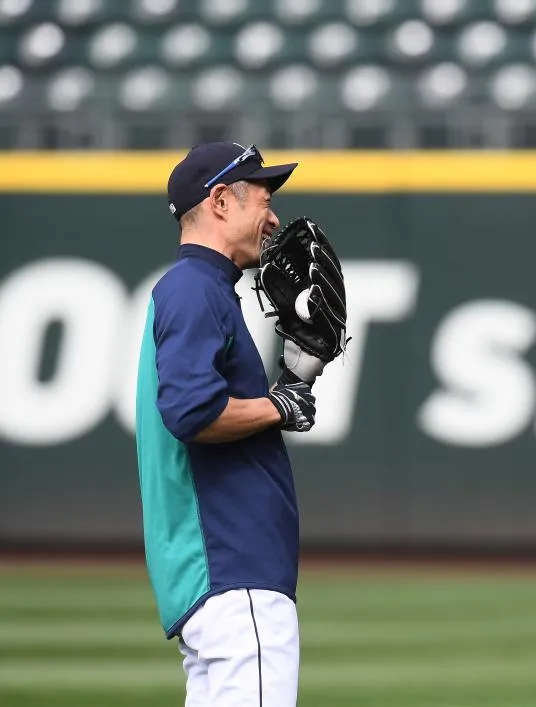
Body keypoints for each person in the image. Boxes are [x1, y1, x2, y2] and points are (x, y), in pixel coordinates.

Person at [135, 142, 320, 707]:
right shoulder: (194, 287)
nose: (274, 218)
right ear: (220, 201)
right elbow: (192, 412)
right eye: (263, 200)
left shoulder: (198, 288)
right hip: (233, 571)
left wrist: (290, 388)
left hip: (218, 577)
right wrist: (281, 405)